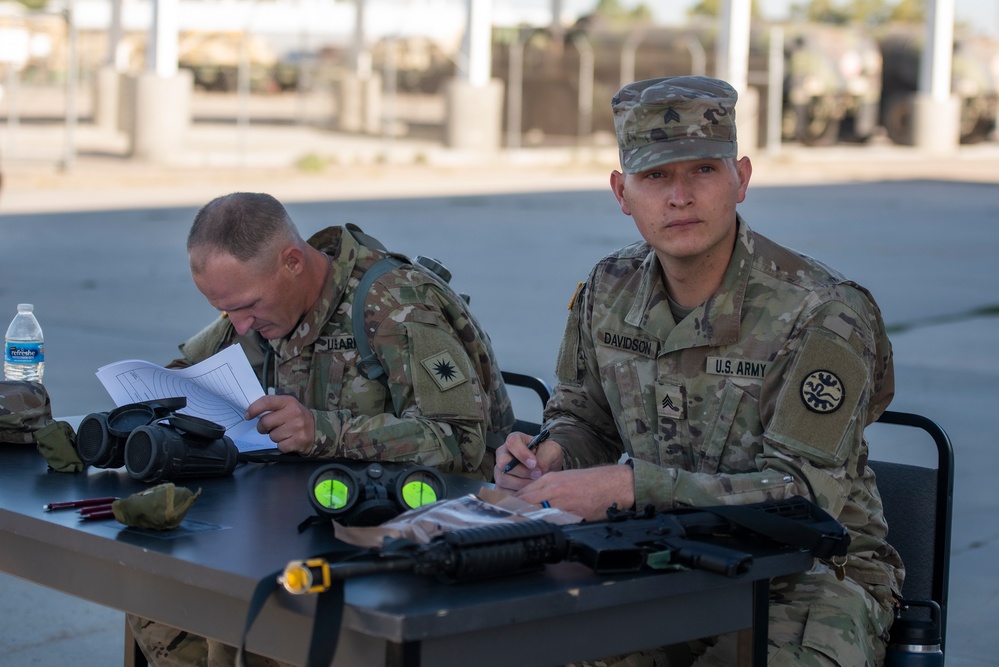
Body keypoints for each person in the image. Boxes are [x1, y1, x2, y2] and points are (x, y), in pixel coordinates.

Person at [494, 76, 902, 666]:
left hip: (809, 574)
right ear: (621, 191)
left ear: (741, 179)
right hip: (654, 557)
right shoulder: (608, 290)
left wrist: (633, 487)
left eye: (702, 171)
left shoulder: (821, 312)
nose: (679, 197)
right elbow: (585, 416)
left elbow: (803, 498)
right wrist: (551, 454)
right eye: (655, 176)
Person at [131, 191, 514, 667]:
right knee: (156, 595)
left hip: (408, 532)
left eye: (246, 306)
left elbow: (461, 441)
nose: (240, 325)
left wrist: (323, 431)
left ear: (292, 262)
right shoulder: (258, 303)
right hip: (304, 516)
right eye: (224, 309)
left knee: (246, 626)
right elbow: (182, 375)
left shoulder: (396, 305)